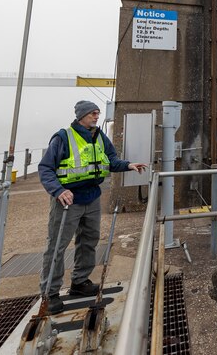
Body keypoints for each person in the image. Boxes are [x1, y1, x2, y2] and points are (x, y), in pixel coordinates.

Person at [38, 100, 147, 314]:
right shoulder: (63, 137)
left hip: (92, 197)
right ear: (81, 116)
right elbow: (45, 168)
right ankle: (49, 293)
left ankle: (79, 282)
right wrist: (59, 191)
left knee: (89, 240)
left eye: (97, 113)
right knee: (57, 246)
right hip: (68, 200)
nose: (96, 116)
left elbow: (111, 160)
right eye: (92, 113)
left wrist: (128, 165)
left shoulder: (99, 136)